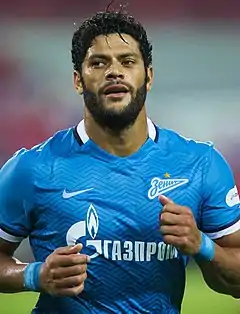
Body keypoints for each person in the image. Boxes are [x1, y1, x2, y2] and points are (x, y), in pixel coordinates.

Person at [0, 9, 240, 314]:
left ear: (148, 76)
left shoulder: (201, 165)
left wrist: (202, 245)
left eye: (127, 61)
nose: (114, 71)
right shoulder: (31, 168)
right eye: (98, 63)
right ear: (78, 80)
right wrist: (34, 275)